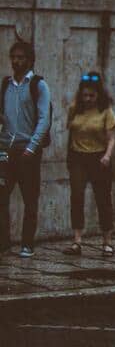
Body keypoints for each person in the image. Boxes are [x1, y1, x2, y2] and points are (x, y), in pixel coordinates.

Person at [1, 41, 53, 257]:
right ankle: (3, 243)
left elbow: (44, 119)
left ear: (30, 60)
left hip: (28, 150)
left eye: (21, 57)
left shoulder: (38, 85)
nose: (16, 61)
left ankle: (27, 244)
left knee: (30, 199)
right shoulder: (6, 84)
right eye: (14, 57)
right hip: (6, 150)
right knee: (1, 197)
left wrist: (32, 147)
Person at [65, 72, 115, 256]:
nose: (87, 99)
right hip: (78, 157)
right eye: (85, 95)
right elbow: (70, 131)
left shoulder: (106, 111)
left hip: (99, 158)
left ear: (99, 95)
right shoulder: (74, 109)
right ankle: (77, 241)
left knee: (103, 199)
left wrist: (107, 156)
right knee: (77, 197)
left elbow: (112, 138)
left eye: (92, 96)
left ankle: (107, 242)